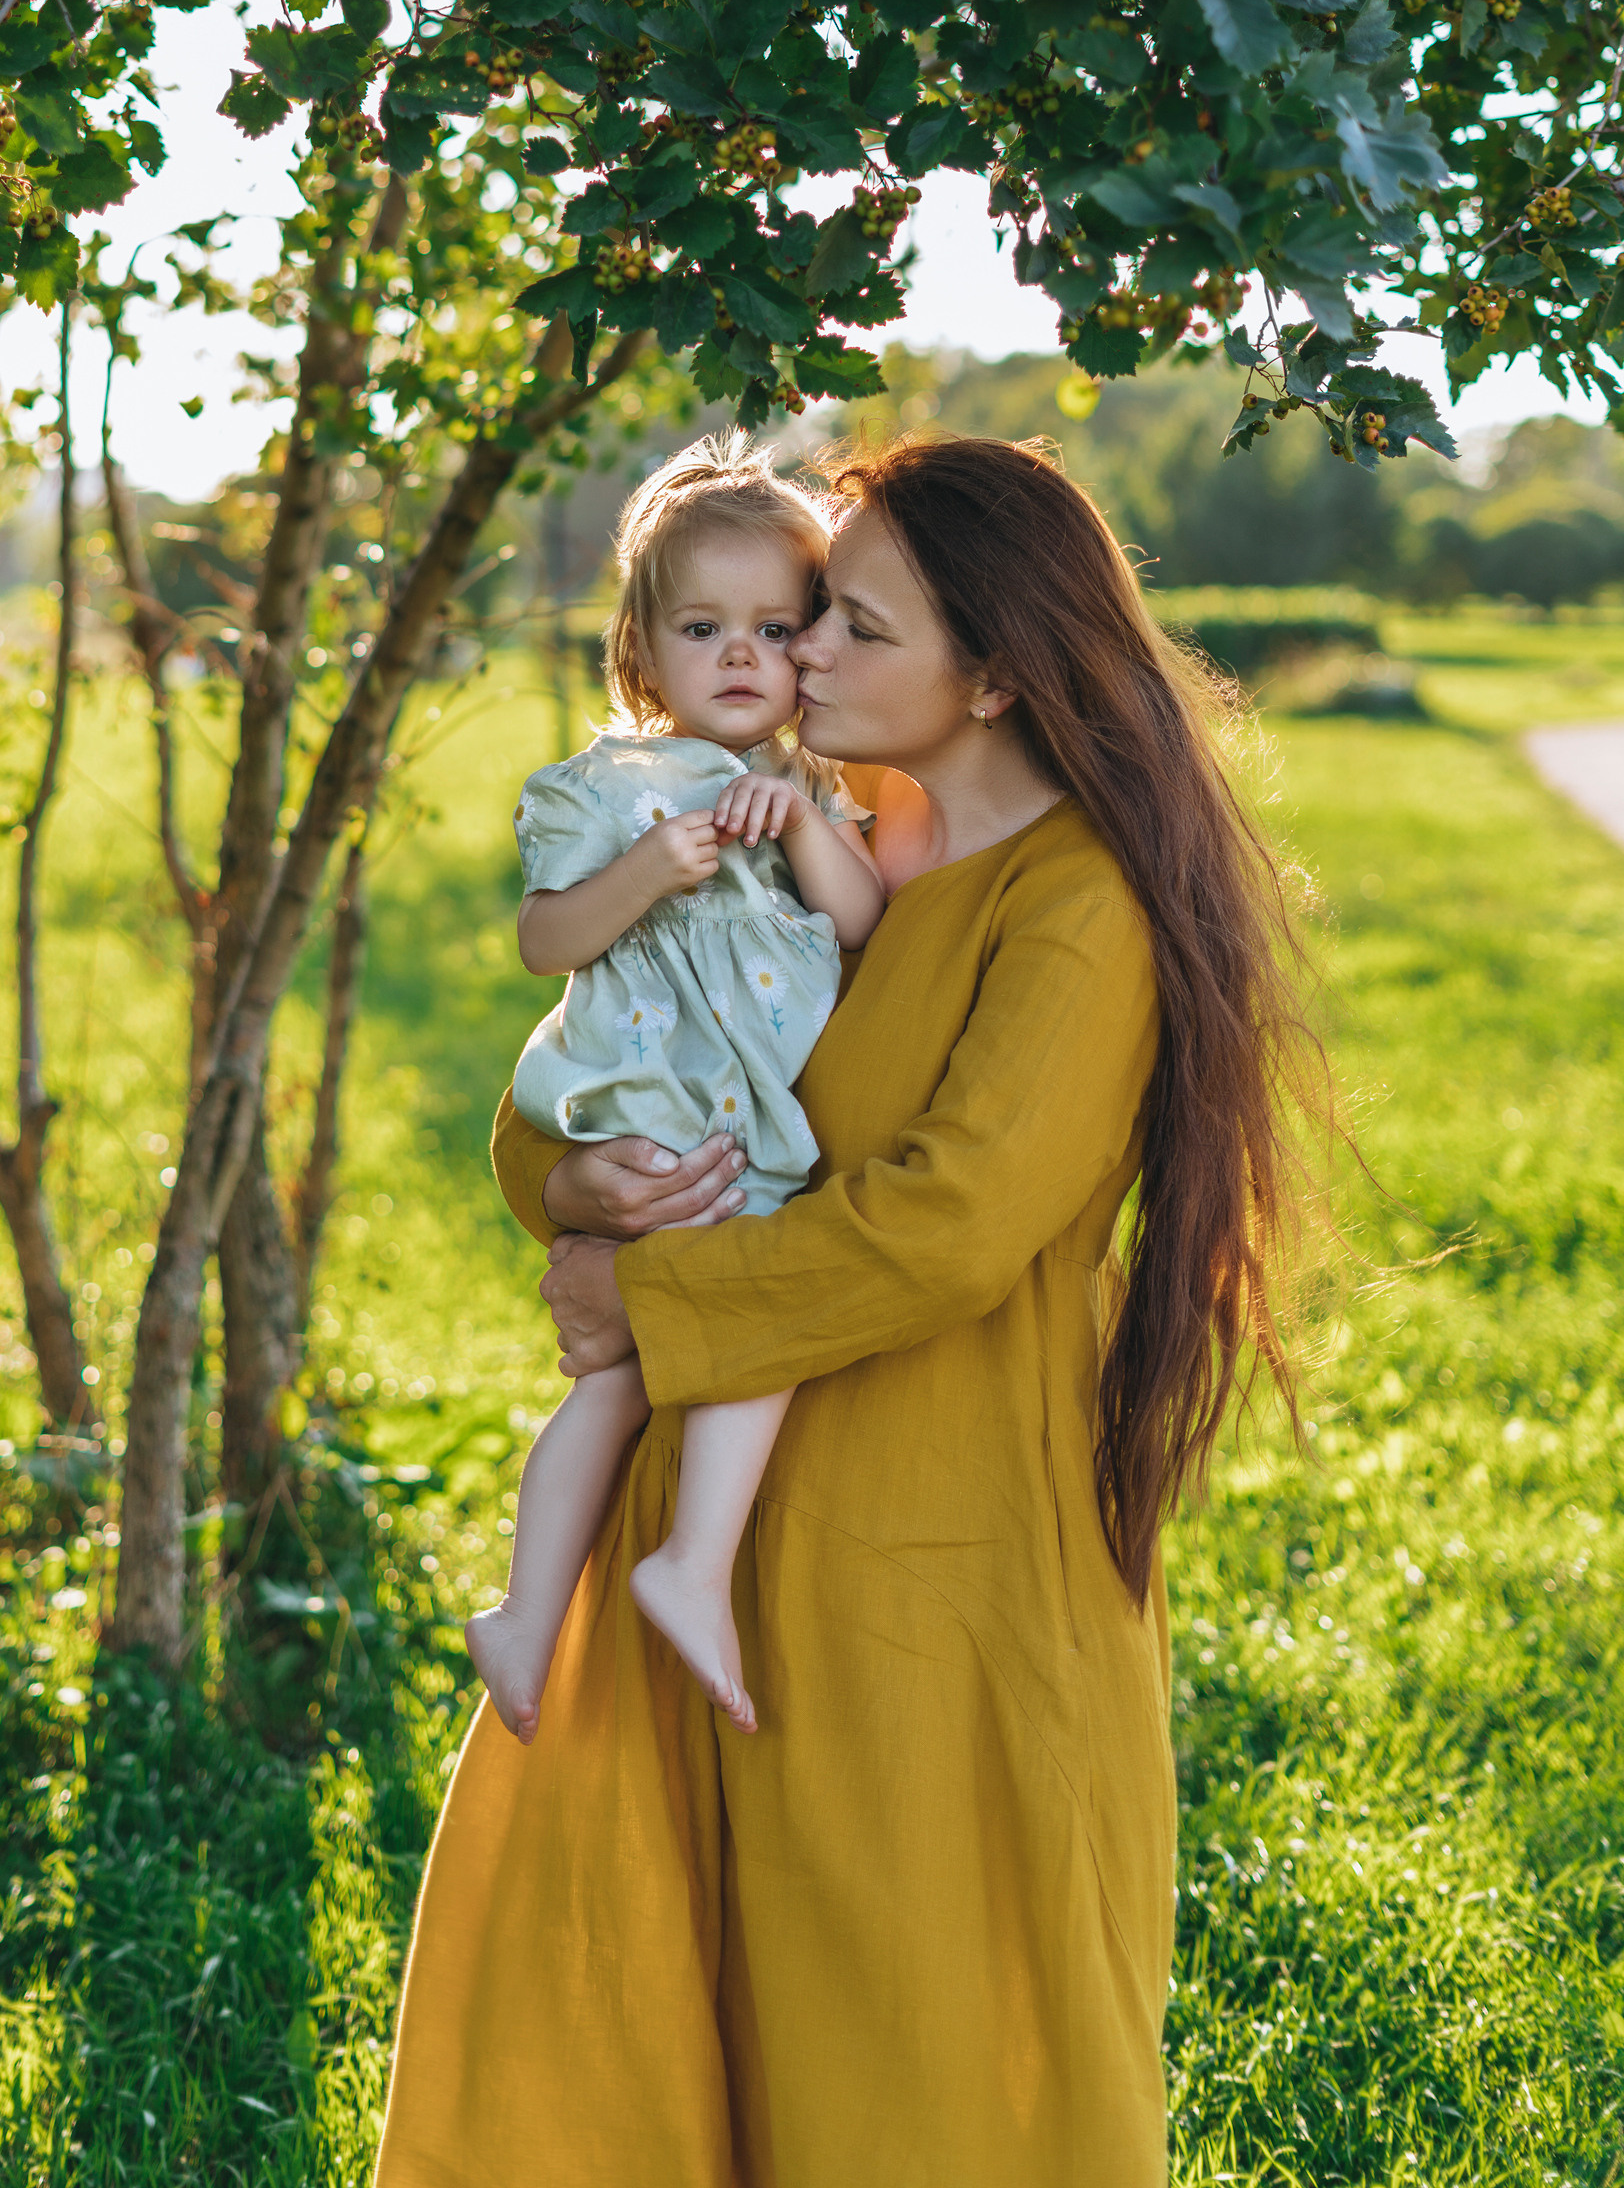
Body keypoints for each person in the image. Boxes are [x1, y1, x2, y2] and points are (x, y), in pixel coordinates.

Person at [376, 431, 1314, 2188]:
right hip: (708, 1557)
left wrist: (642, 1288)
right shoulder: (813, 828)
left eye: (849, 626)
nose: (798, 654)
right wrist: (573, 1189)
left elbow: (941, 1231)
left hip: (928, 1577)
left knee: (910, 2071)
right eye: (807, 614)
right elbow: (589, 1062)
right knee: (669, 2061)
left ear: (997, 673)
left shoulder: (1076, 908)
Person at [467, 433, 885, 1743]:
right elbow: (545, 941)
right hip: (664, 1108)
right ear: (644, 653)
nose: (742, 656)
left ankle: (533, 1615)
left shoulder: (811, 790)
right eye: (704, 630)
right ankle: (681, 1570)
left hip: (743, 1117)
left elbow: (864, 923)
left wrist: (805, 826)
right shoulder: (606, 789)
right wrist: (648, 869)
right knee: (740, 1326)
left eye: (775, 628)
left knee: (627, 1374)